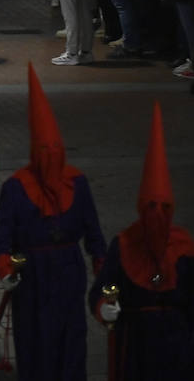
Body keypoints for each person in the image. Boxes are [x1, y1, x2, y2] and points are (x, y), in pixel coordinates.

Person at [0, 66, 106, 381]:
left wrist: (104, 269)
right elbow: (3, 234)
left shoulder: (77, 184)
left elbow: (93, 231)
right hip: (33, 274)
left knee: (71, 337)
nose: (50, 157)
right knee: (34, 338)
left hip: (69, 272)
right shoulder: (16, 187)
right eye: (44, 151)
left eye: (55, 151)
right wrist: (5, 267)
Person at [89, 103, 194, 380]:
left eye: (163, 207)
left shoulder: (184, 249)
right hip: (136, 347)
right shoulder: (123, 245)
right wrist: (105, 308)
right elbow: (100, 290)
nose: (157, 215)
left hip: (178, 348)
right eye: (150, 207)